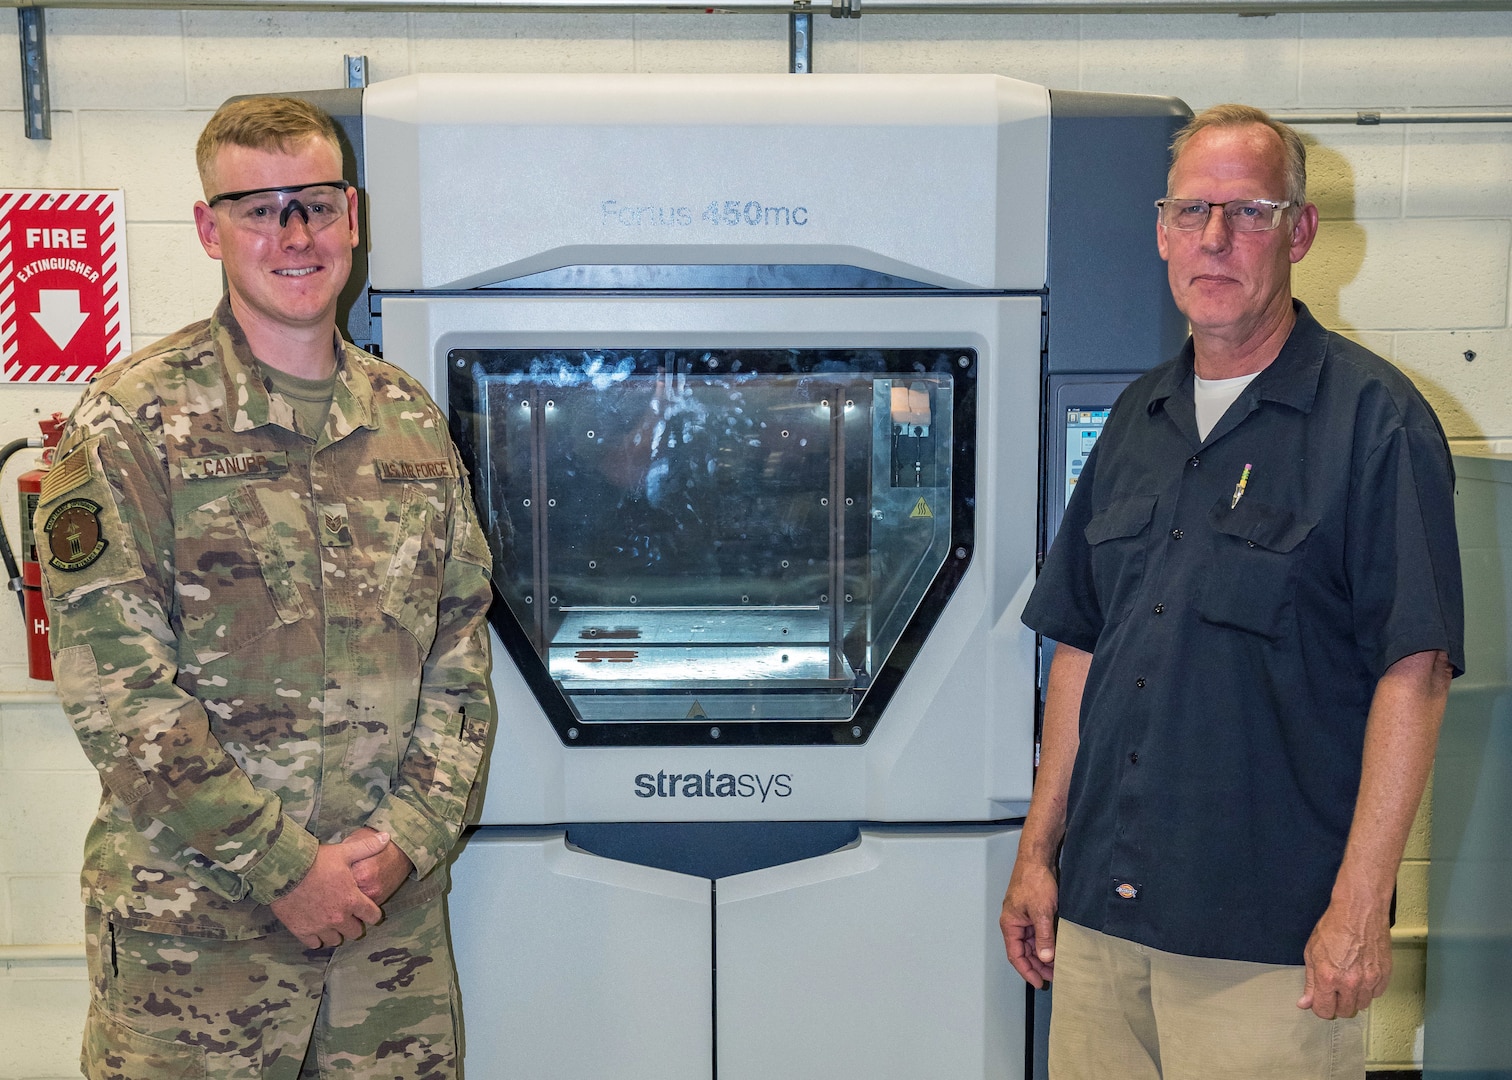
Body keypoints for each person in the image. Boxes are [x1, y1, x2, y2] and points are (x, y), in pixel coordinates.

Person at [999, 103, 1463, 1079]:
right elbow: (1081, 647)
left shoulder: (1376, 426)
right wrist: (1039, 852)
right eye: (1191, 212)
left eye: (1248, 212)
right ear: (1162, 232)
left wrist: (1357, 910)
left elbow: (1414, 676)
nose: (1215, 239)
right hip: (1101, 923)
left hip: (1270, 945)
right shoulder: (1137, 415)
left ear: (1298, 232)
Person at [35, 96, 495, 1078]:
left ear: (354, 217)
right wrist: (287, 871)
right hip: (197, 953)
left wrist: (408, 840)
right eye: (259, 207)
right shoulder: (131, 426)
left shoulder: (408, 422)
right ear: (210, 228)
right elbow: (117, 692)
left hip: (387, 945)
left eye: (316, 204)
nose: (295, 234)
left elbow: (459, 656)